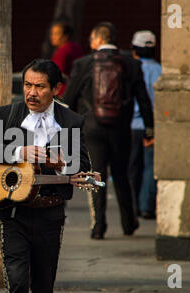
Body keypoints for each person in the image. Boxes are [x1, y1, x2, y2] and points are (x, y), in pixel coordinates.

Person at [0, 59, 90, 293]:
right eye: (27, 85)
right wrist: (20, 152)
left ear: (56, 89)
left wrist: (62, 164)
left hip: (50, 214)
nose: (31, 92)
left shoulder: (70, 121)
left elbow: (81, 165)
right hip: (12, 211)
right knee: (17, 284)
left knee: (43, 289)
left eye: (39, 87)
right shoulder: (7, 115)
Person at [63, 22, 154, 239]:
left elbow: (69, 100)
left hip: (93, 130)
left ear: (98, 40)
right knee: (122, 175)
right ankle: (128, 223)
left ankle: (98, 227)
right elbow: (143, 99)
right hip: (122, 130)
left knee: (95, 176)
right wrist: (150, 128)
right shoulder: (132, 64)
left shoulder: (83, 64)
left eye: (91, 39)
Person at [129, 30, 161, 220]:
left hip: (132, 126)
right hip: (154, 126)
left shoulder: (132, 69)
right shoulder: (160, 71)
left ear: (134, 49)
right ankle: (146, 206)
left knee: (132, 167)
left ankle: (132, 205)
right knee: (150, 167)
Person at [49, 21, 83, 97]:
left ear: (65, 36)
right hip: (76, 90)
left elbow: (56, 74)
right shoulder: (76, 47)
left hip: (62, 93)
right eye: (52, 33)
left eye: (56, 34)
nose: (52, 37)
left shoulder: (63, 51)